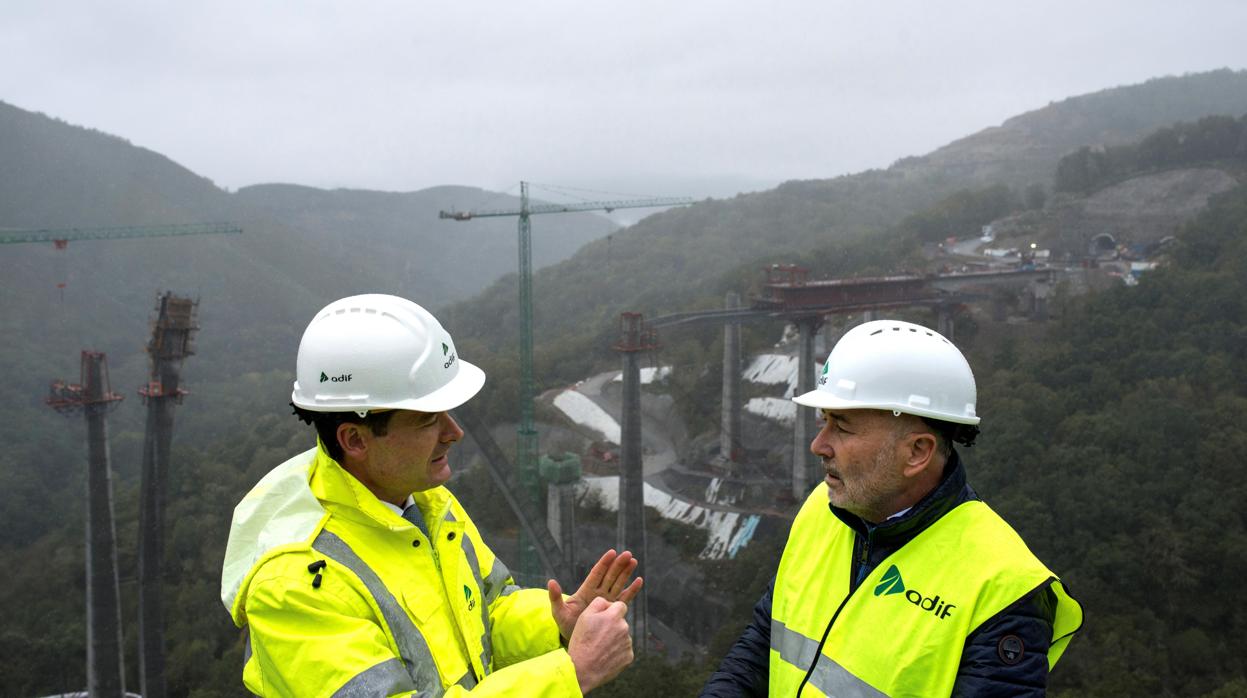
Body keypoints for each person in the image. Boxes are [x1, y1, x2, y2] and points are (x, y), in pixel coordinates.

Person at [221, 294, 641, 696]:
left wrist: (556, 624)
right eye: (427, 421)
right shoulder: (299, 583)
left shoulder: (423, 500)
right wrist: (571, 675)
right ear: (355, 439)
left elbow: (487, 610)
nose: (454, 433)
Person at [701, 319, 1083, 697]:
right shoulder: (823, 507)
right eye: (824, 422)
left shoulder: (1002, 587)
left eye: (843, 427)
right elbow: (762, 645)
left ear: (917, 452)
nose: (819, 444)